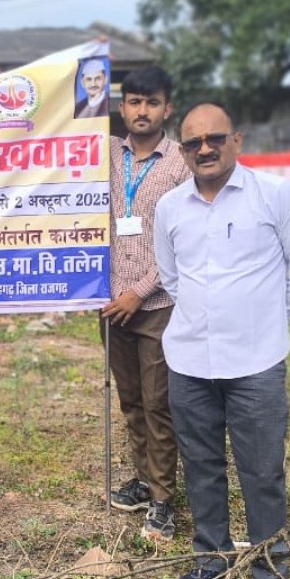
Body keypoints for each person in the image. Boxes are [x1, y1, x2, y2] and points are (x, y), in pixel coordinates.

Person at [154, 102, 290, 579]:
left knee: (261, 472)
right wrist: (207, 318)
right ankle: (211, 562)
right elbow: (171, 277)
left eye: (215, 138)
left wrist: (263, 318)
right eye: (192, 143)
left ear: (237, 141)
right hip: (188, 360)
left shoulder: (276, 195)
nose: (204, 149)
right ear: (182, 151)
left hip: (255, 362)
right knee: (201, 467)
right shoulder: (170, 207)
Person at [101, 66, 190, 540]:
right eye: (134, 101)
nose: (142, 110)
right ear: (122, 107)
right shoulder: (103, 157)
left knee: (159, 404)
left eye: (151, 102)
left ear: (166, 108)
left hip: (157, 305)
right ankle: (143, 479)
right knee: (131, 400)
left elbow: (180, 242)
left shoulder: (180, 163)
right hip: (111, 305)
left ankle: (162, 500)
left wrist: (139, 292)